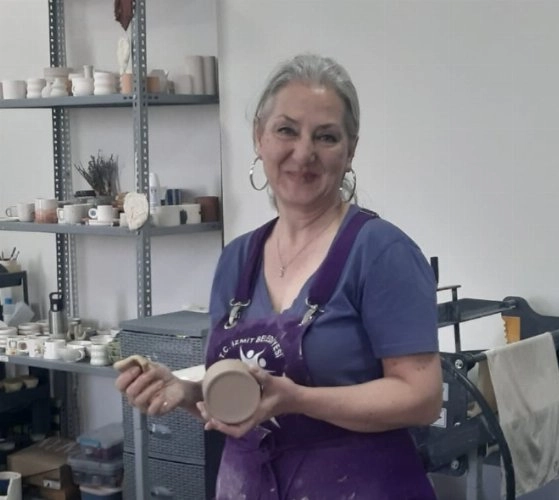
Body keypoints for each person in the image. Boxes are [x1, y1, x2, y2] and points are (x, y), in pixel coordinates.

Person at [115, 53, 442, 499]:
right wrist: (188, 392)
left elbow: (421, 398)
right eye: (286, 130)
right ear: (259, 137)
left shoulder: (382, 253)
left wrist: (298, 399)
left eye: (326, 136)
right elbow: (244, 397)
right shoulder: (237, 260)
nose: (303, 153)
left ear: (350, 151)